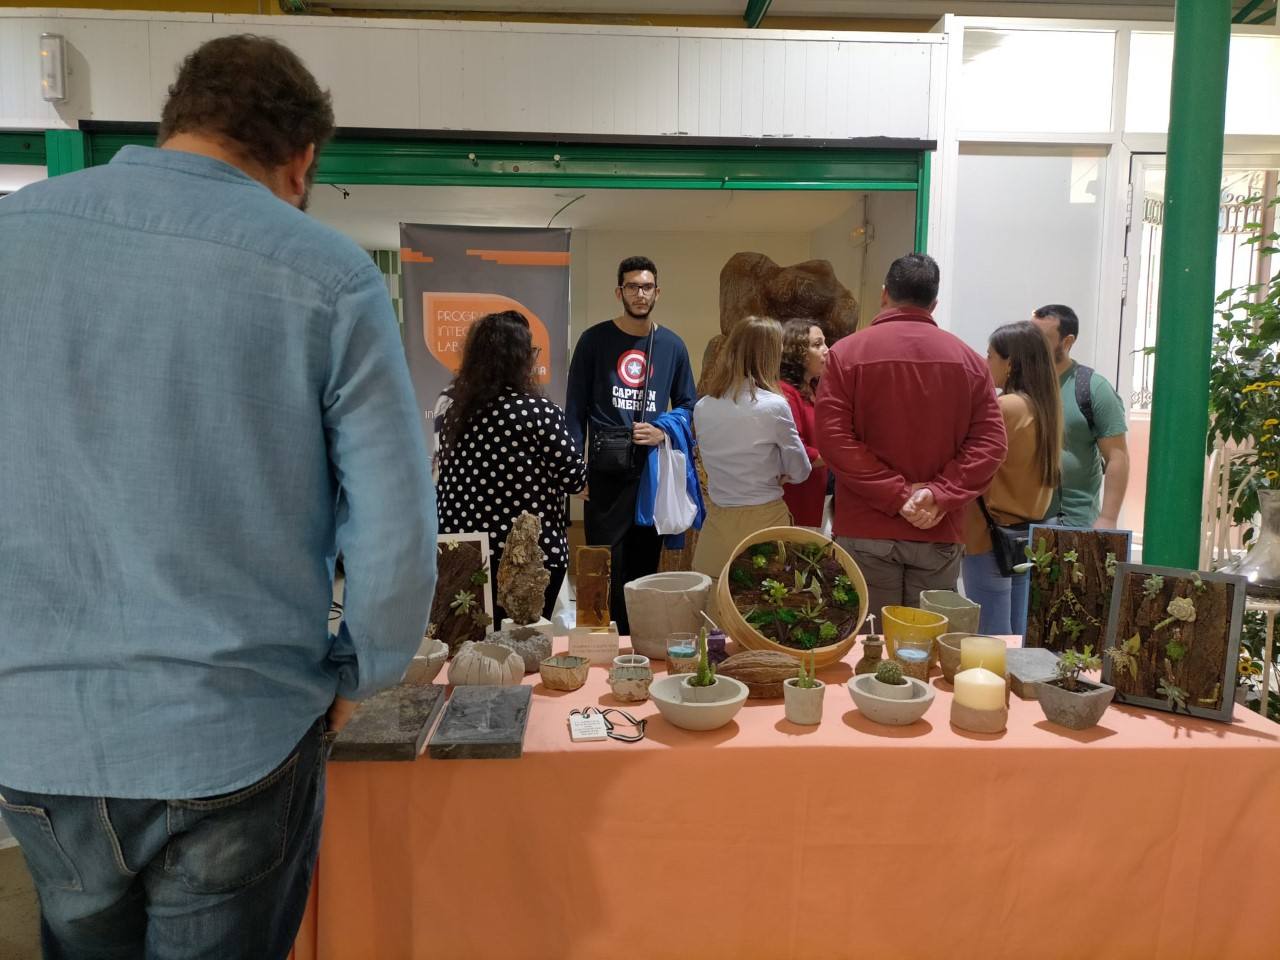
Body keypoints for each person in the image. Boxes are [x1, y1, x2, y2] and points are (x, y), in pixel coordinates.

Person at [0, 35, 436, 959]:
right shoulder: (327, 275)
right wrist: (363, 670)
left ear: (176, 122)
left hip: (37, 733)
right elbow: (397, 535)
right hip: (235, 728)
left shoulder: (15, 239)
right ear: (301, 160)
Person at [814, 253, 1007, 618]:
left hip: (866, 526)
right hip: (939, 527)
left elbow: (834, 440)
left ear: (884, 294)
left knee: (868, 644)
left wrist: (899, 495)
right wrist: (938, 493)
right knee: (929, 647)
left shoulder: (846, 355)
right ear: (934, 302)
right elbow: (990, 444)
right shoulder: (968, 361)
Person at [566, 256, 697, 634]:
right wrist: (575, 473)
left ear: (658, 291)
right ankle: (599, 644)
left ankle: (635, 645)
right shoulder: (594, 340)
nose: (640, 294)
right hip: (604, 475)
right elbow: (574, 409)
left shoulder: (672, 345)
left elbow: (689, 405)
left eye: (647, 287)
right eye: (632, 286)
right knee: (603, 566)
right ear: (619, 291)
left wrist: (663, 430)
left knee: (642, 568)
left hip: (650, 474)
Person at [437, 310, 587, 623]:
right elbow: (574, 478)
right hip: (526, 557)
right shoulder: (538, 412)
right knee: (525, 649)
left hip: (465, 552)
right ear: (519, 359)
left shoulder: (456, 412)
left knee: (472, 648)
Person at [693, 317, 811, 609]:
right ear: (770, 355)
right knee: (767, 613)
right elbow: (801, 470)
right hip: (765, 520)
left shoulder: (703, 407)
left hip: (718, 519)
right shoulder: (774, 406)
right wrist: (780, 470)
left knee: (712, 614)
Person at [963, 322, 1063, 635]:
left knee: (991, 637)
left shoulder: (1006, 406)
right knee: (1016, 637)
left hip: (988, 534)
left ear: (1011, 363)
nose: (984, 361)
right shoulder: (1046, 408)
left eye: (990, 355)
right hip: (1024, 537)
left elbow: (969, 460)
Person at [1030, 304, 1130, 529]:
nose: (1033, 345)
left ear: (1067, 342)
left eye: (1042, 338)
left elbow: (1117, 456)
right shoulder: (1021, 385)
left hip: (1074, 523)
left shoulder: (1093, 388)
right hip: (1022, 522)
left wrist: (1108, 519)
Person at [778, 318, 830, 527]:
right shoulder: (786, 392)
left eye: (825, 342)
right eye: (817, 345)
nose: (827, 350)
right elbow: (796, 448)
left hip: (820, 488)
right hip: (798, 494)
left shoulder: (816, 389)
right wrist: (840, 457)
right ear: (796, 353)